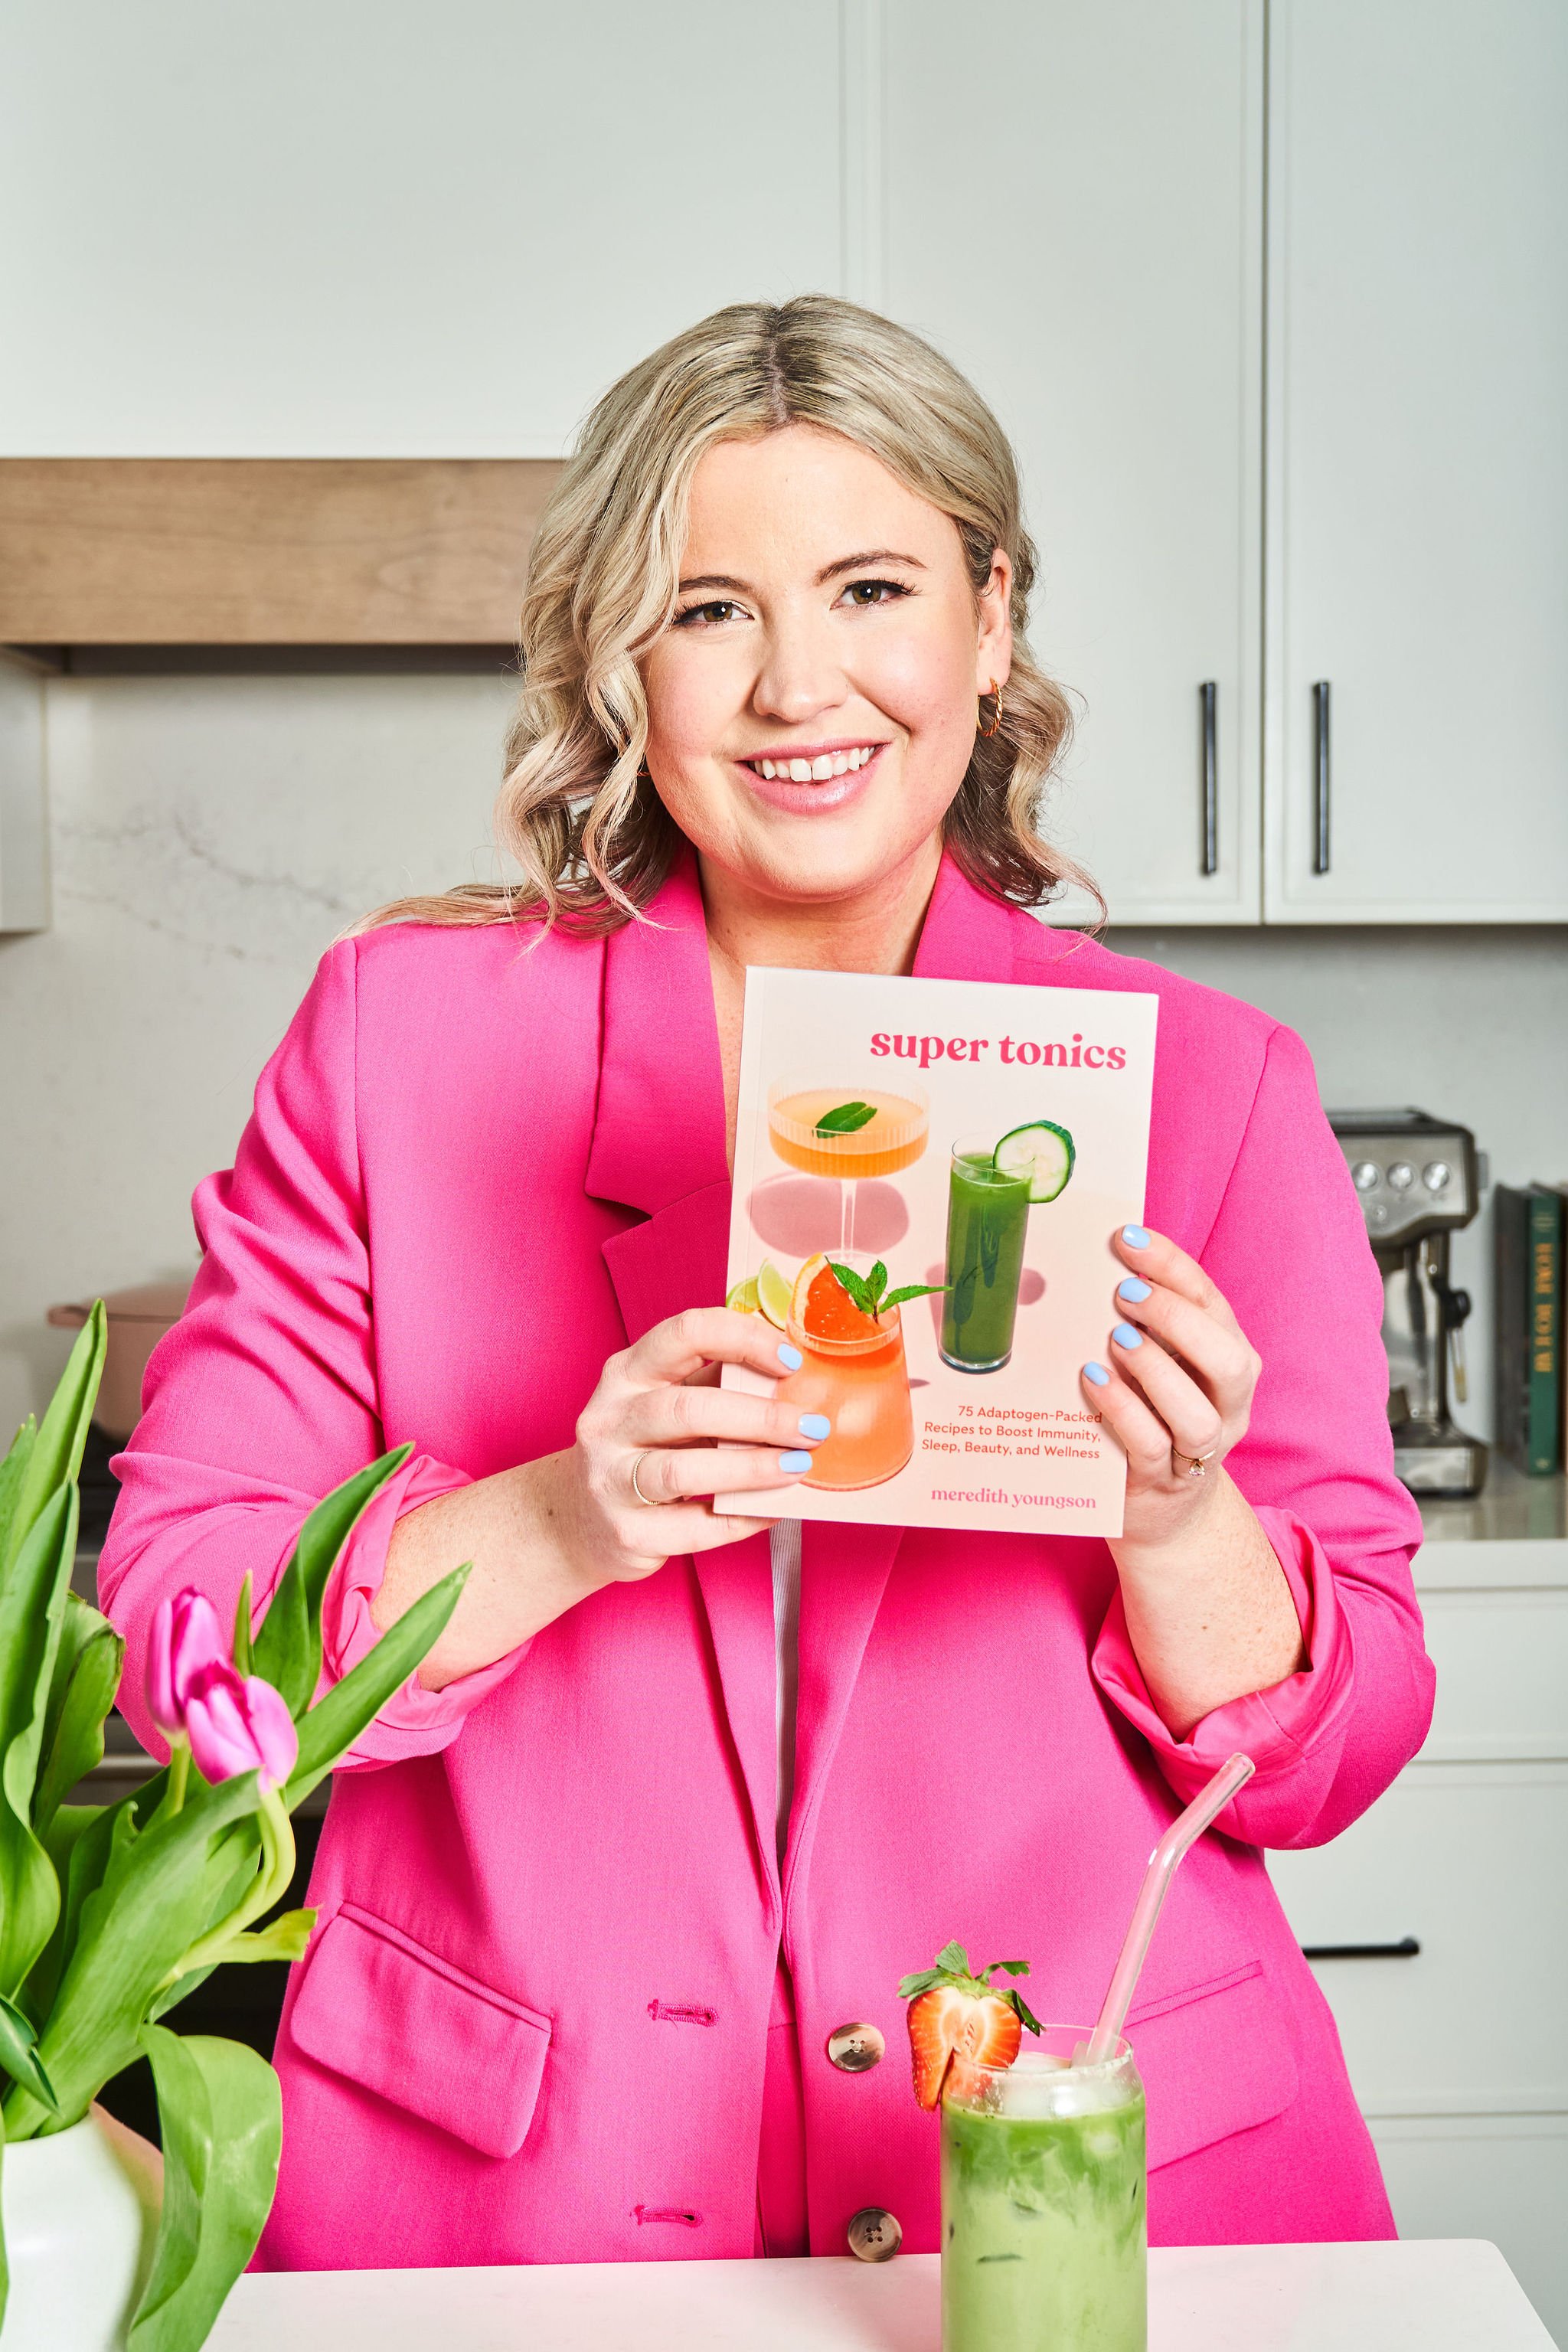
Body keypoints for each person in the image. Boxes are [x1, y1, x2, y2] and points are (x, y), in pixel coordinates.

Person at [101, 296, 1432, 2270]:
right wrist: (562, 1517)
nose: (800, 685)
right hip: (520, 2204)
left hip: (1077, 2188)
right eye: (710, 609)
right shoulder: (401, 1043)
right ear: (621, 661)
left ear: (990, 618)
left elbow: (1345, 1744)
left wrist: (1178, 1520)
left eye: (873, 589)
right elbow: (178, 1640)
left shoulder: (1209, 1088)